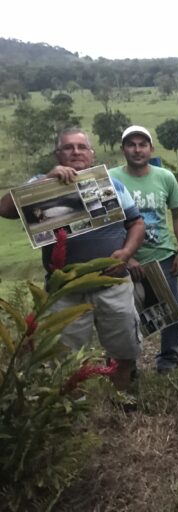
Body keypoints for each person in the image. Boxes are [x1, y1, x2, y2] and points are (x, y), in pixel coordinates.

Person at [0, 127, 144, 392]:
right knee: (64, 356)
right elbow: (4, 208)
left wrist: (126, 253)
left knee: (124, 349)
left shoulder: (110, 183)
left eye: (81, 147)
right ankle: (71, 407)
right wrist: (46, 179)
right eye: (68, 147)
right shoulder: (40, 184)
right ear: (58, 153)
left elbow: (136, 223)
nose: (76, 152)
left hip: (112, 283)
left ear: (91, 153)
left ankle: (123, 400)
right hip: (65, 290)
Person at [109, 125, 178, 374]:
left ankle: (168, 360)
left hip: (161, 256)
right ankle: (123, 365)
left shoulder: (165, 177)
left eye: (142, 144)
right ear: (123, 150)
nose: (137, 149)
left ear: (150, 148)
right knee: (123, 316)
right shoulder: (110, 178)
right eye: (131, 144)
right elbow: (106, 224)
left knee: (170, 313)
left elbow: (177, 214)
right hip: (122, 259)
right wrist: (126, 257)